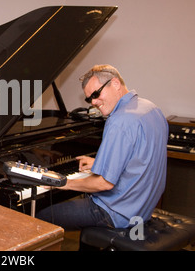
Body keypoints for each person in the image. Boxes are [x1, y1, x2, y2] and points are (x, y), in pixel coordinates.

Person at [37, 64, 168, 231]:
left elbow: (104, 184)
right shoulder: (151, 108)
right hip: (143, 208)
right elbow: (141, 158)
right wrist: (100, 163)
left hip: (117, 213)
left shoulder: (119, 121)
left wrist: (64, 183)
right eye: (89, 99)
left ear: (115, 83)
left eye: (96, 94)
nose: (93, 102)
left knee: (40, 217)